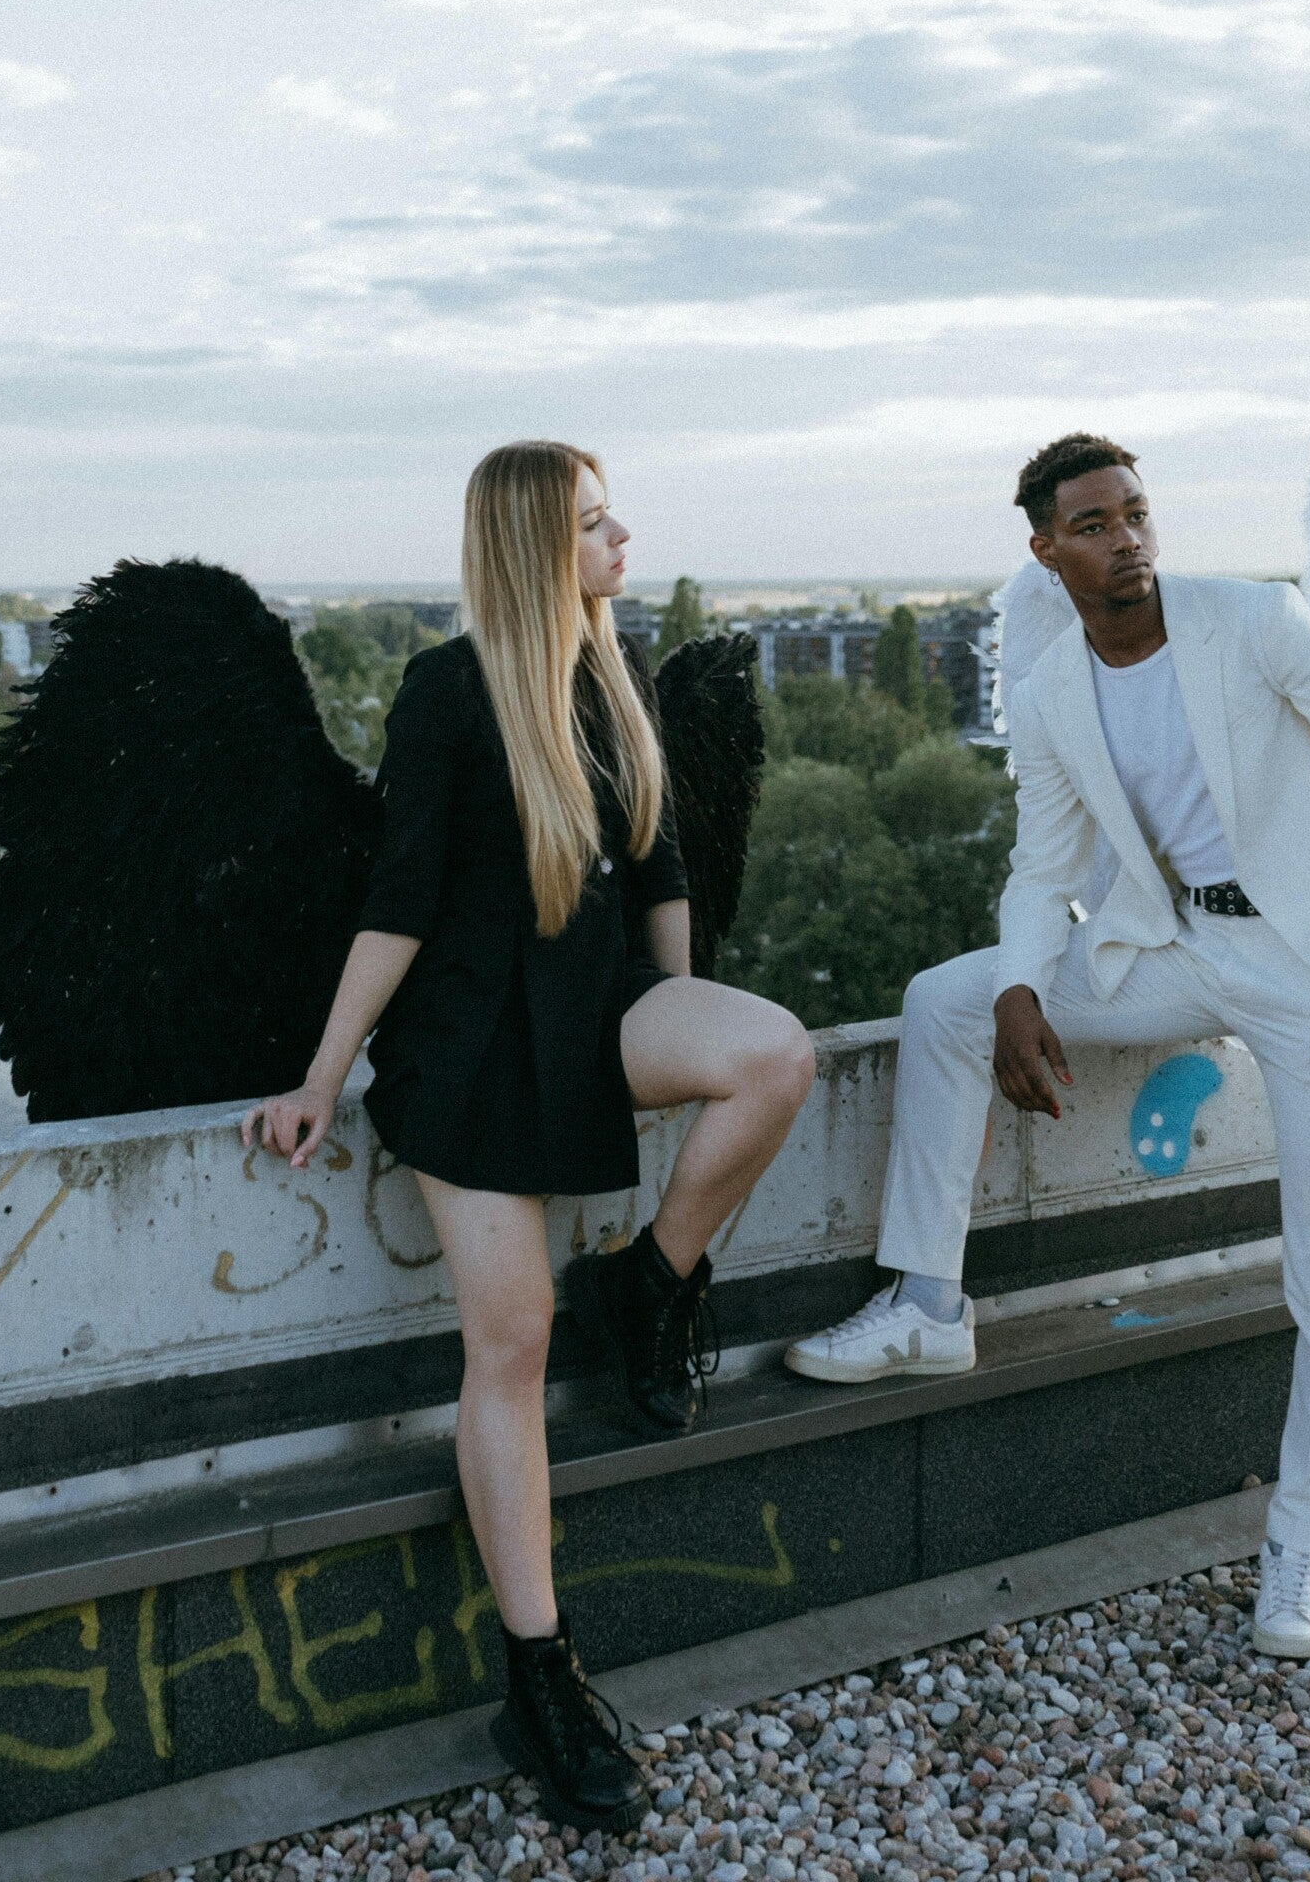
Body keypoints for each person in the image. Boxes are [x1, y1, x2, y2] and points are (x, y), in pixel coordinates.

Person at [783, 432, 1310, 1662]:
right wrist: (1024, 986)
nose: (1125, 538)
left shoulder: (1256, 621)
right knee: (947, 999)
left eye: (1136, 514)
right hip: (1177, 950)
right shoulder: (1048, 698)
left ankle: (1303, 1549)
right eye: (1093, 524)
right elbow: (1043, 867)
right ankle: (928, 1299)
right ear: (1045, 551)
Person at [244, 442, 815, 1830]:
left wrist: (681, 1005)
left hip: (601, 1005)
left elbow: (664, 869)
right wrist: (323, 1072)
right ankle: (541, 1674)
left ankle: (656, 1280)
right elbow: (400, 896)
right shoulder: (449, 690)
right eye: (597, 523)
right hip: (476, 1042)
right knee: (510, 1343)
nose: (625, 539)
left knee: (774, 1054)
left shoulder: (616, 680)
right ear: (532, 547)